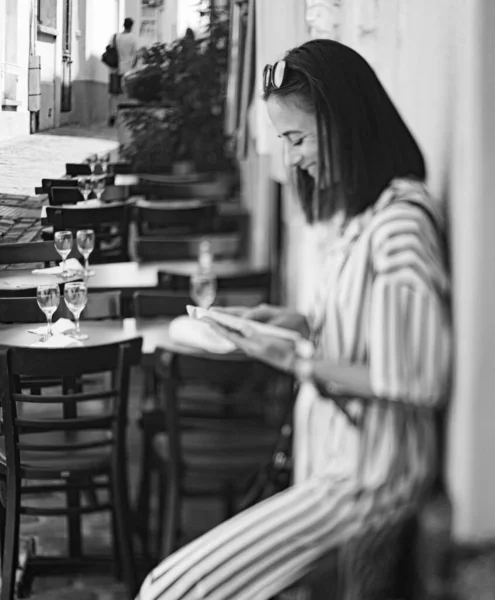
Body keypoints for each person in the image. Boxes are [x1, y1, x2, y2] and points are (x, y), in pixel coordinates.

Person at [136, 39, 452, 599]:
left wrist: (298, 360)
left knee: (169, 589)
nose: (292, 158)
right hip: (337, 471)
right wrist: (293, 324)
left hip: (365, 483)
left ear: (345, 125)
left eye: (297, 138)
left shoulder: (398, 228)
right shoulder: (360, 222)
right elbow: (362, 336)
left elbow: (414, 379)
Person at [108, 17, 138, 126]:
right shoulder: (132, 39)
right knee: (126, 93)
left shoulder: (116, 37)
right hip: (127, 70)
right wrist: (133, 67)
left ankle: (112, 114)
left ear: (123, 25)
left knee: (113, 94)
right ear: (131, 26)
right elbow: (135, 55)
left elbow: (109, 49)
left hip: (115, 69)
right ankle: (124, 116)